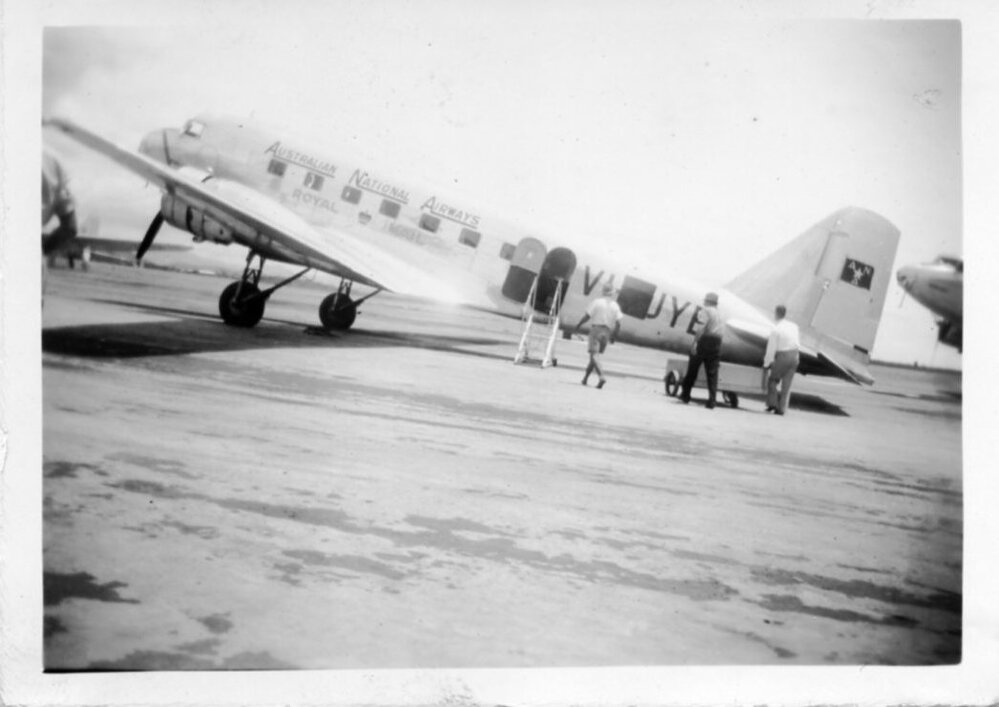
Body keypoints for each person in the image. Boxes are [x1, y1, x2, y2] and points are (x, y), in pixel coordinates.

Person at [679, 292, 724, 409]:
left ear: (707, 301)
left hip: (705, 340)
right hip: (717, 342)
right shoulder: (719, 314)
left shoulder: (705, 310)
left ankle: (685, 395)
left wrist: (695, 343)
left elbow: (700, 328)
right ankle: (712, 400)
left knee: (693, 368)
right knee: (713, 374)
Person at [574, 282, 623, 389]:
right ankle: (585, 378)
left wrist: (578, 325)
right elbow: (619, 323)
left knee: (594, 356)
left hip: (596, 330)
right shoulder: (615, 306)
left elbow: (587, 316)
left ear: (603, 291)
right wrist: (615, 335)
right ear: (612, 293)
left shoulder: (597, 302)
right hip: (607, 332)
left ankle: (601, 377)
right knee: (594, 357)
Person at [763, 304, 800, 415]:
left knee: (773, 380)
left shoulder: (775, 329)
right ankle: (782, 409)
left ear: (776, 313)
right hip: (795, 355)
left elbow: (771, 349)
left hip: (783, 355)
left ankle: (772, 404)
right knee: (786, 384)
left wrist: (767, 363)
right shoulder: (794, 326)